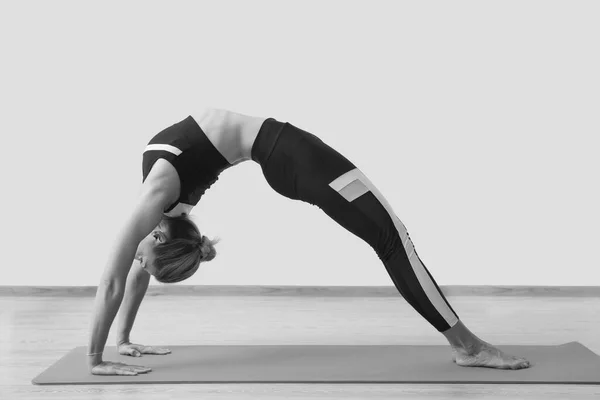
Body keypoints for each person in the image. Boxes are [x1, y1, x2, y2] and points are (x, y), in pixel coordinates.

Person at [87, 108, 532, 376]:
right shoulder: (165, 207)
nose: (136, 263)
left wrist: (98, 355)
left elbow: (114, 279)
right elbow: (129, 274)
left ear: (159, 237)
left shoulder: (160, 197)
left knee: (393, 240)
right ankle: (469, 348)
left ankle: (468, 346)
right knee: (393, 240)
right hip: (292, 154)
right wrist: (120, 339)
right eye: (143, 262)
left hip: (291, 155)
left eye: (142, 261)